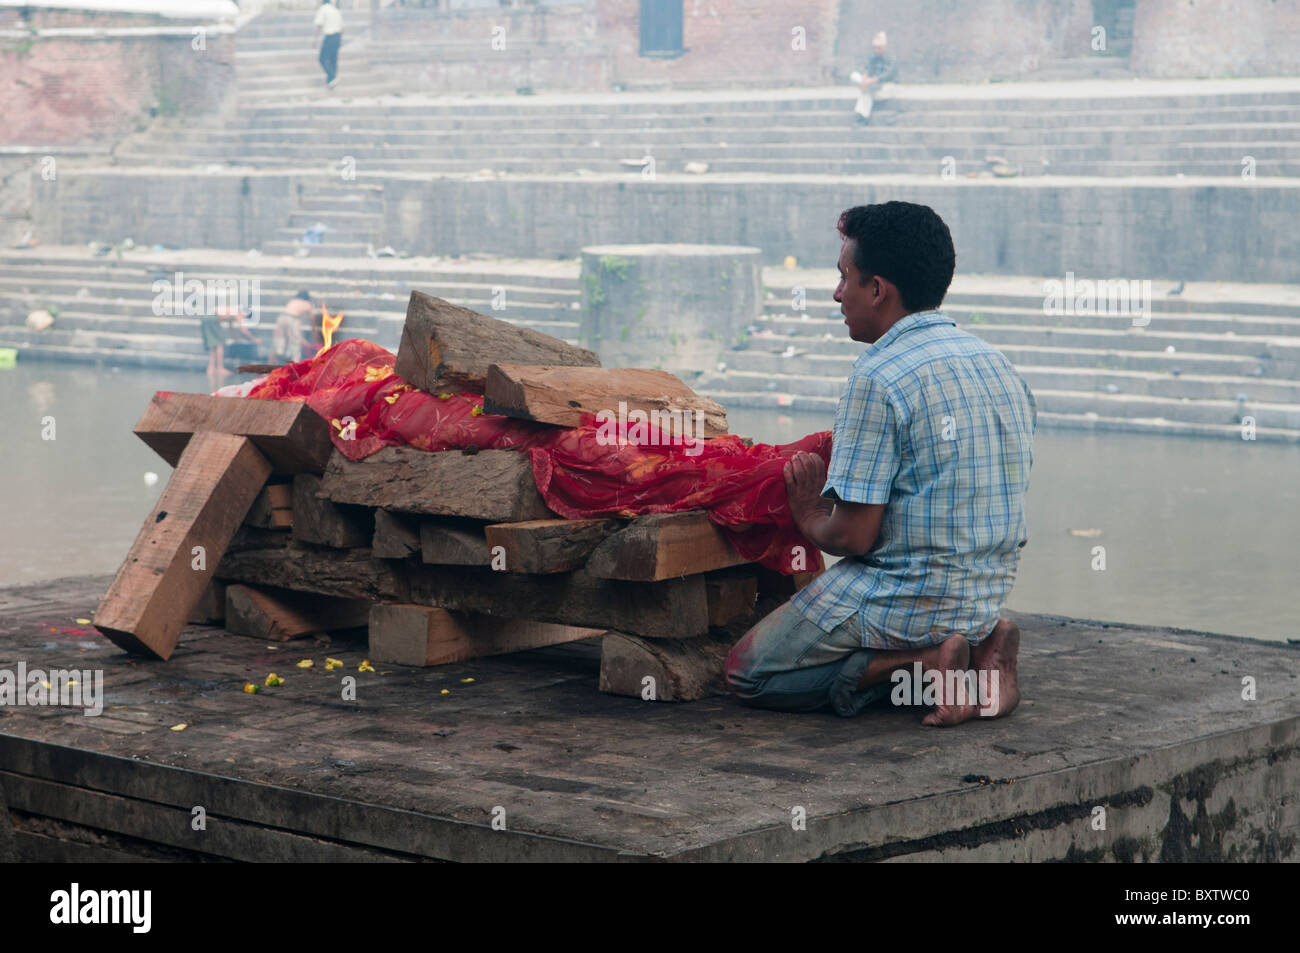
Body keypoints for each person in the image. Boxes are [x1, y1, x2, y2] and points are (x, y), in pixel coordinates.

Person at [724, 201, 1037, 727]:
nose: (837, 293)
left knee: (747, 674)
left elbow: (853, 538)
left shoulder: (878, 376)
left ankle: (921, 662)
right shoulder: (997, 363)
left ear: (878, 289)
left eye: (845, 276)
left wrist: (806, 509)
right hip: (981, 596)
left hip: (903, 596)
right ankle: (982, 651)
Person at [852, 31, 898, 126]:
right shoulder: (872, 58)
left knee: (867, 91)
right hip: (871, 86)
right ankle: (862, 117)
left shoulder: (891, 58)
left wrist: (872, 81)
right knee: (854, 76)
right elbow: (867, 69)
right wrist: (865, 79)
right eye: (875, 48)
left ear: (885, 47)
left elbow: (888, 74)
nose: (876, 50)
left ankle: (862, 117)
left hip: (886, 87)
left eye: (879, 48)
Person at [272, 291, 316, 364]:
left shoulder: (293, 301)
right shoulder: (308, 304)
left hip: (282, 317)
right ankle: (295, 365)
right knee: (296, 344)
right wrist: (314, 332)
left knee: (278, 341)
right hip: (293, 318)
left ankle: (269, 367)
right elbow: (312, 319)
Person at [315, 0, 344, 89]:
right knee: (333, 59)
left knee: (322, 58)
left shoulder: (323, 9)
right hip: (337, 36)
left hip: (329, 36)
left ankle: (333, 76)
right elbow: (342, 27)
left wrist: (315, 39)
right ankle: (331, 81)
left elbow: (319, 24)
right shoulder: (335, 10)